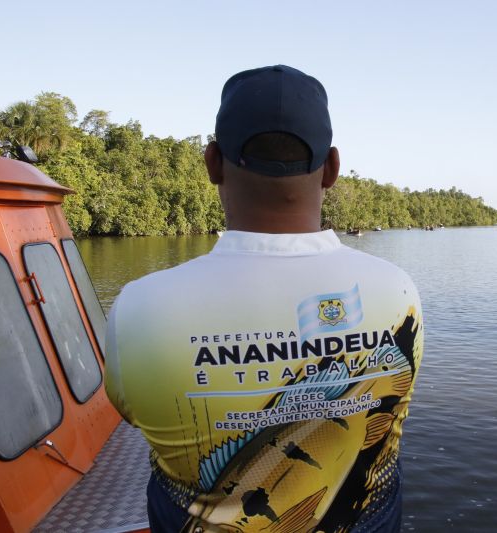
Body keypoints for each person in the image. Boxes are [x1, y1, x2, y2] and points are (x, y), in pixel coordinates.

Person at [104, 65, 423, 533]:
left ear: (213, 162)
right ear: (331, 169)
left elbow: (130, 413)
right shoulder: (398, 291)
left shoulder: (139, 307)